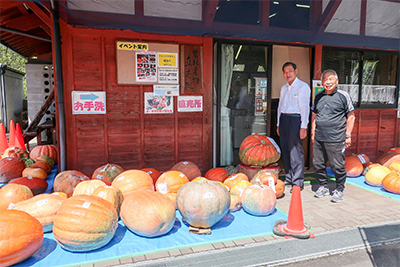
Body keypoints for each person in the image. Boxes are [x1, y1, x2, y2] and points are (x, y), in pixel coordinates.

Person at [311, 69, 355, 203]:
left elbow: (351, 116)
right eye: (325, 79)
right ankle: (323, 186)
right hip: (319, 137)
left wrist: (348, 135)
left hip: (336, 137)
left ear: (337, 81)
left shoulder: (343, 95)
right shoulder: (318, 96)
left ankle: (339, 189)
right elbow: (314, 115)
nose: (327, 82)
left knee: (337, 165)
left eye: (330, 79)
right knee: (318, 164)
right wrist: (313, 132)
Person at [277, 62, 311, 191]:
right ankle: (289, 177)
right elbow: (280, 107)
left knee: (295, 151)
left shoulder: (303, 87)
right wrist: (278, 124)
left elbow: (304, 108)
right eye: (285, 72)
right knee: (285, 149)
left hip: (296, 120)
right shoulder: (284, 88)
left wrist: (304, 126)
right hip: (284, 120)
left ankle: (297, 182)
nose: (287, 74)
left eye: (290, 71)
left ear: (296, 71)